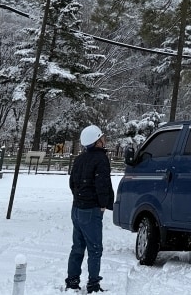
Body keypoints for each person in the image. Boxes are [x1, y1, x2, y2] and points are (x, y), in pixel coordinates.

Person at [65, 124, 114, 293]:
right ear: (97, 141)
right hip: (91, 209)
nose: (104, 139)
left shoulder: (79, 159)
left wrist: (79, 198)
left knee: (77, 247)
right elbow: (103, 184)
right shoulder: (100, 159)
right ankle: (93, 284)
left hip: (77, 208)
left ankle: (72, 281)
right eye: (102, 137)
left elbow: (72, 183)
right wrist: (103, 204)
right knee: (95, 249)